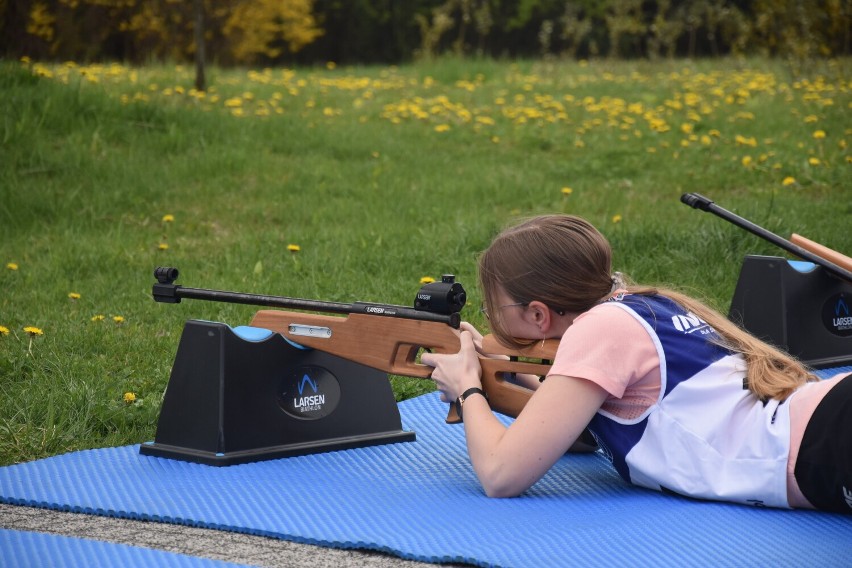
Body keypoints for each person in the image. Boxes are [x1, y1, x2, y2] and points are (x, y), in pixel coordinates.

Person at [421, 214, 851, 513]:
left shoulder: (599, 329)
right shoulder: (641, 307)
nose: (492, 318)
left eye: (496, 308)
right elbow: (578, 435)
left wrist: (468, 388)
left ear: (537, 314)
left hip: (825, 437)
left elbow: (501, 474)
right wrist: (501, 370)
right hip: (824, 425)